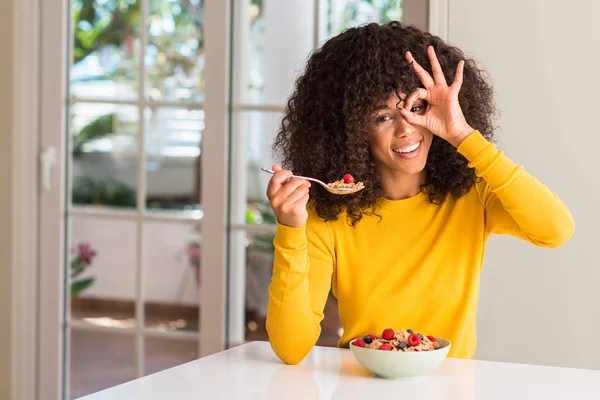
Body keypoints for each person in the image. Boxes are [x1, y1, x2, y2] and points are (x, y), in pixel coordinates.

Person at [264, 22, 574, 365]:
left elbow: (555, 230)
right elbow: (290, 348)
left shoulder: (473, 194)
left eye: (418, 108)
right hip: (362, 386)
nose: (406, 129)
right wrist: (291, 230)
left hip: (451, 387)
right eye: (382, 117)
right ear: (349, 131)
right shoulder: (329, 212)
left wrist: (462, 135)